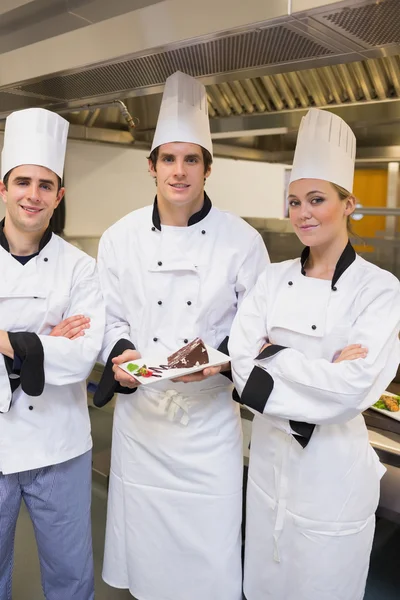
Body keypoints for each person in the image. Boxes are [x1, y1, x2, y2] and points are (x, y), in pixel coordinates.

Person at [94, 71, 269, 600]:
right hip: (141, 426)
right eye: (168, 159)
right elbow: (110, 319)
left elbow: (257, 331)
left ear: (207, 168)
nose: (178, 170)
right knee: (146, 562)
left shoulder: (242, 241)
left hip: (209, 428)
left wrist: (226, 360)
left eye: (190, 159)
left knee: (209, 559)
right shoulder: (119, 238)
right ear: (151, 166)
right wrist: (121, 355)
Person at [229, 108, 400, 600]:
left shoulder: (379, 288)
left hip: (333, 481)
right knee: (263, 584)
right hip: (265, 471)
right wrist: (317, 370)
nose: (303, 212)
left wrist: (274, 356)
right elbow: (242, 371)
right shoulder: (270, 278)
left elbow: (351, 392)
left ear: (349, 203)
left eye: (318, 199)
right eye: (295, 200)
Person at [0, 107, 105, 600]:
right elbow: (58, 352)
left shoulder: (81, 268)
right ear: (3, 188)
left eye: (46, 185)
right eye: (23, 182)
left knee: (71, 578)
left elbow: (81, 357)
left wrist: (8, 341)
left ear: (58, 195)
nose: (33, 195)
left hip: (60, 448)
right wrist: (44, 341)